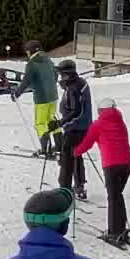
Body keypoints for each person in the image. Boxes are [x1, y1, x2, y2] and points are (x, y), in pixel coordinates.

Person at [75, 98, 130, 245]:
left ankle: (115, 231)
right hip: (127, 163)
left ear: (100, 111)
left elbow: (87, 143)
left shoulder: (98, 124)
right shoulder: (120, 122)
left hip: (112, 165)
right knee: (117, 195)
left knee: (113, 197)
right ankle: (121, 227)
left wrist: (75, 152)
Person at [52, 60, 93, 201]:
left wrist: (60, 123)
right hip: (82, 128)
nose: (59, 77)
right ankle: (79, 186)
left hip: (75, 129)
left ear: (67, 74)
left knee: (67, 159)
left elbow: (76, 111)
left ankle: (65, 189)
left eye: (61, 74)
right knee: (76, 155)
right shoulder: (78, 84)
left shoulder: (74, 88)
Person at [12, 41, 60, 158]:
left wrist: (17, 93)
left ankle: (46, 149)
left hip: (41, 98)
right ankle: (60, 145)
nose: (27, 54)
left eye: (27, 51)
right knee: (51, 119)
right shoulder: (48, 60)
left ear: (31, 51)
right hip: (53, 96)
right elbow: (55, 74)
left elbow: (26, 81)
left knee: (40, 123)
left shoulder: (32, 63)